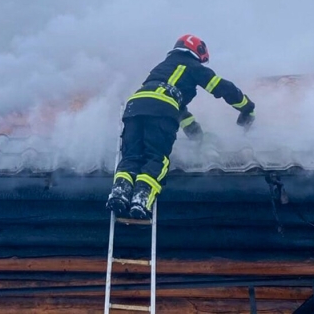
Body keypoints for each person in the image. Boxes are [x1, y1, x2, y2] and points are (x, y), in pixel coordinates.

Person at [106, 34, 255, 220]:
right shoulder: (192, 66)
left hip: (134, 107)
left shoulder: (162, 69)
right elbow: (223, 88)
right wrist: (247, 107)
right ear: (197, 52)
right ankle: (141, 199)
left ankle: (120, 193)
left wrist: (198, 137)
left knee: (132, 156)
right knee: (156, 158)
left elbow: (181, 114)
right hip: (162, 109)